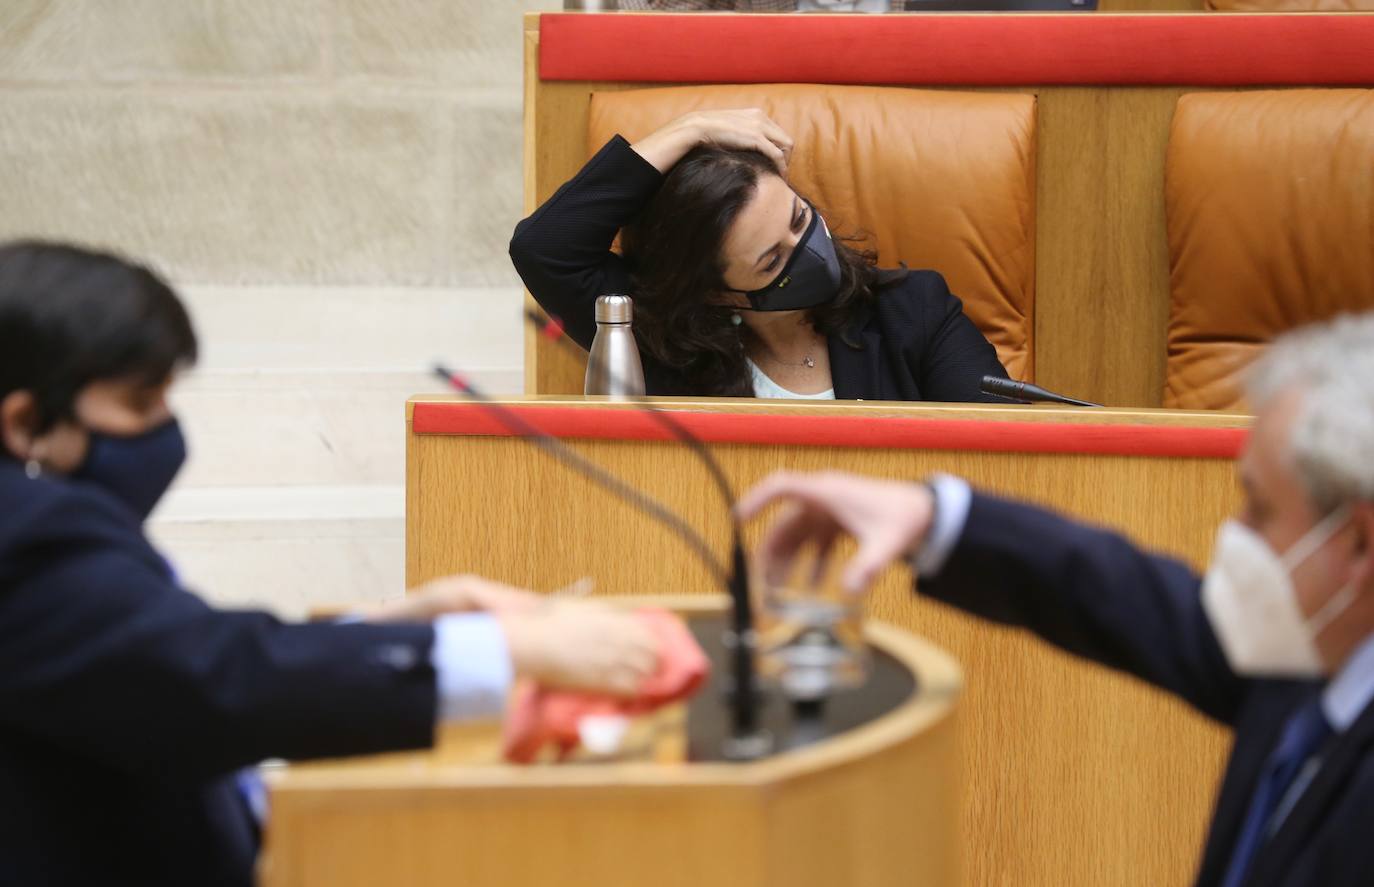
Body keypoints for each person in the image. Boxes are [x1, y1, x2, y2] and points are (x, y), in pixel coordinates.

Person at [0, 241, 663, 887]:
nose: (167, 428)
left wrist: (397, 624)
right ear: (27, 423)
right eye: (141, 404)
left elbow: (151, 665)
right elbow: (214, 680)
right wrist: (502, 647)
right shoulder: (26, 533)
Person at [738, 312, 1374, 887]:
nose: (1235, 534)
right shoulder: (1309, 654)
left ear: (1359, 544)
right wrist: (931, 515)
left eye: (1261, 510)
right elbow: (1119, 592)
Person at [510, 108, 1009, 401]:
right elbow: (544, 248)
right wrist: (689, 129)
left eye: (799, 218)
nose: (809, 249)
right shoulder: (665, 346)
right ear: (720, 294)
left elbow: (1002, 445)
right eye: (772, 262)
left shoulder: (913, 310)